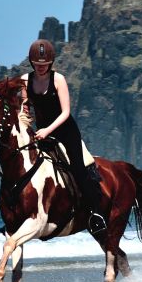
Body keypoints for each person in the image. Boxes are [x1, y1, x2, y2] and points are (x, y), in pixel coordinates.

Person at [20, 39, 107, 235]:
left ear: (51, 63)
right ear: (32, 63)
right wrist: (25, 121)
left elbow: (65, 112)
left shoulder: (58, 79)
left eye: (44, 64)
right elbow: (25, 108)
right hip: (41, 133)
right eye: (37, 64)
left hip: (65, 130)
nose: (41, 68)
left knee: (77, 167)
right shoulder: (25, 80)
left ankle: (96, 214)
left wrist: (46, 130)